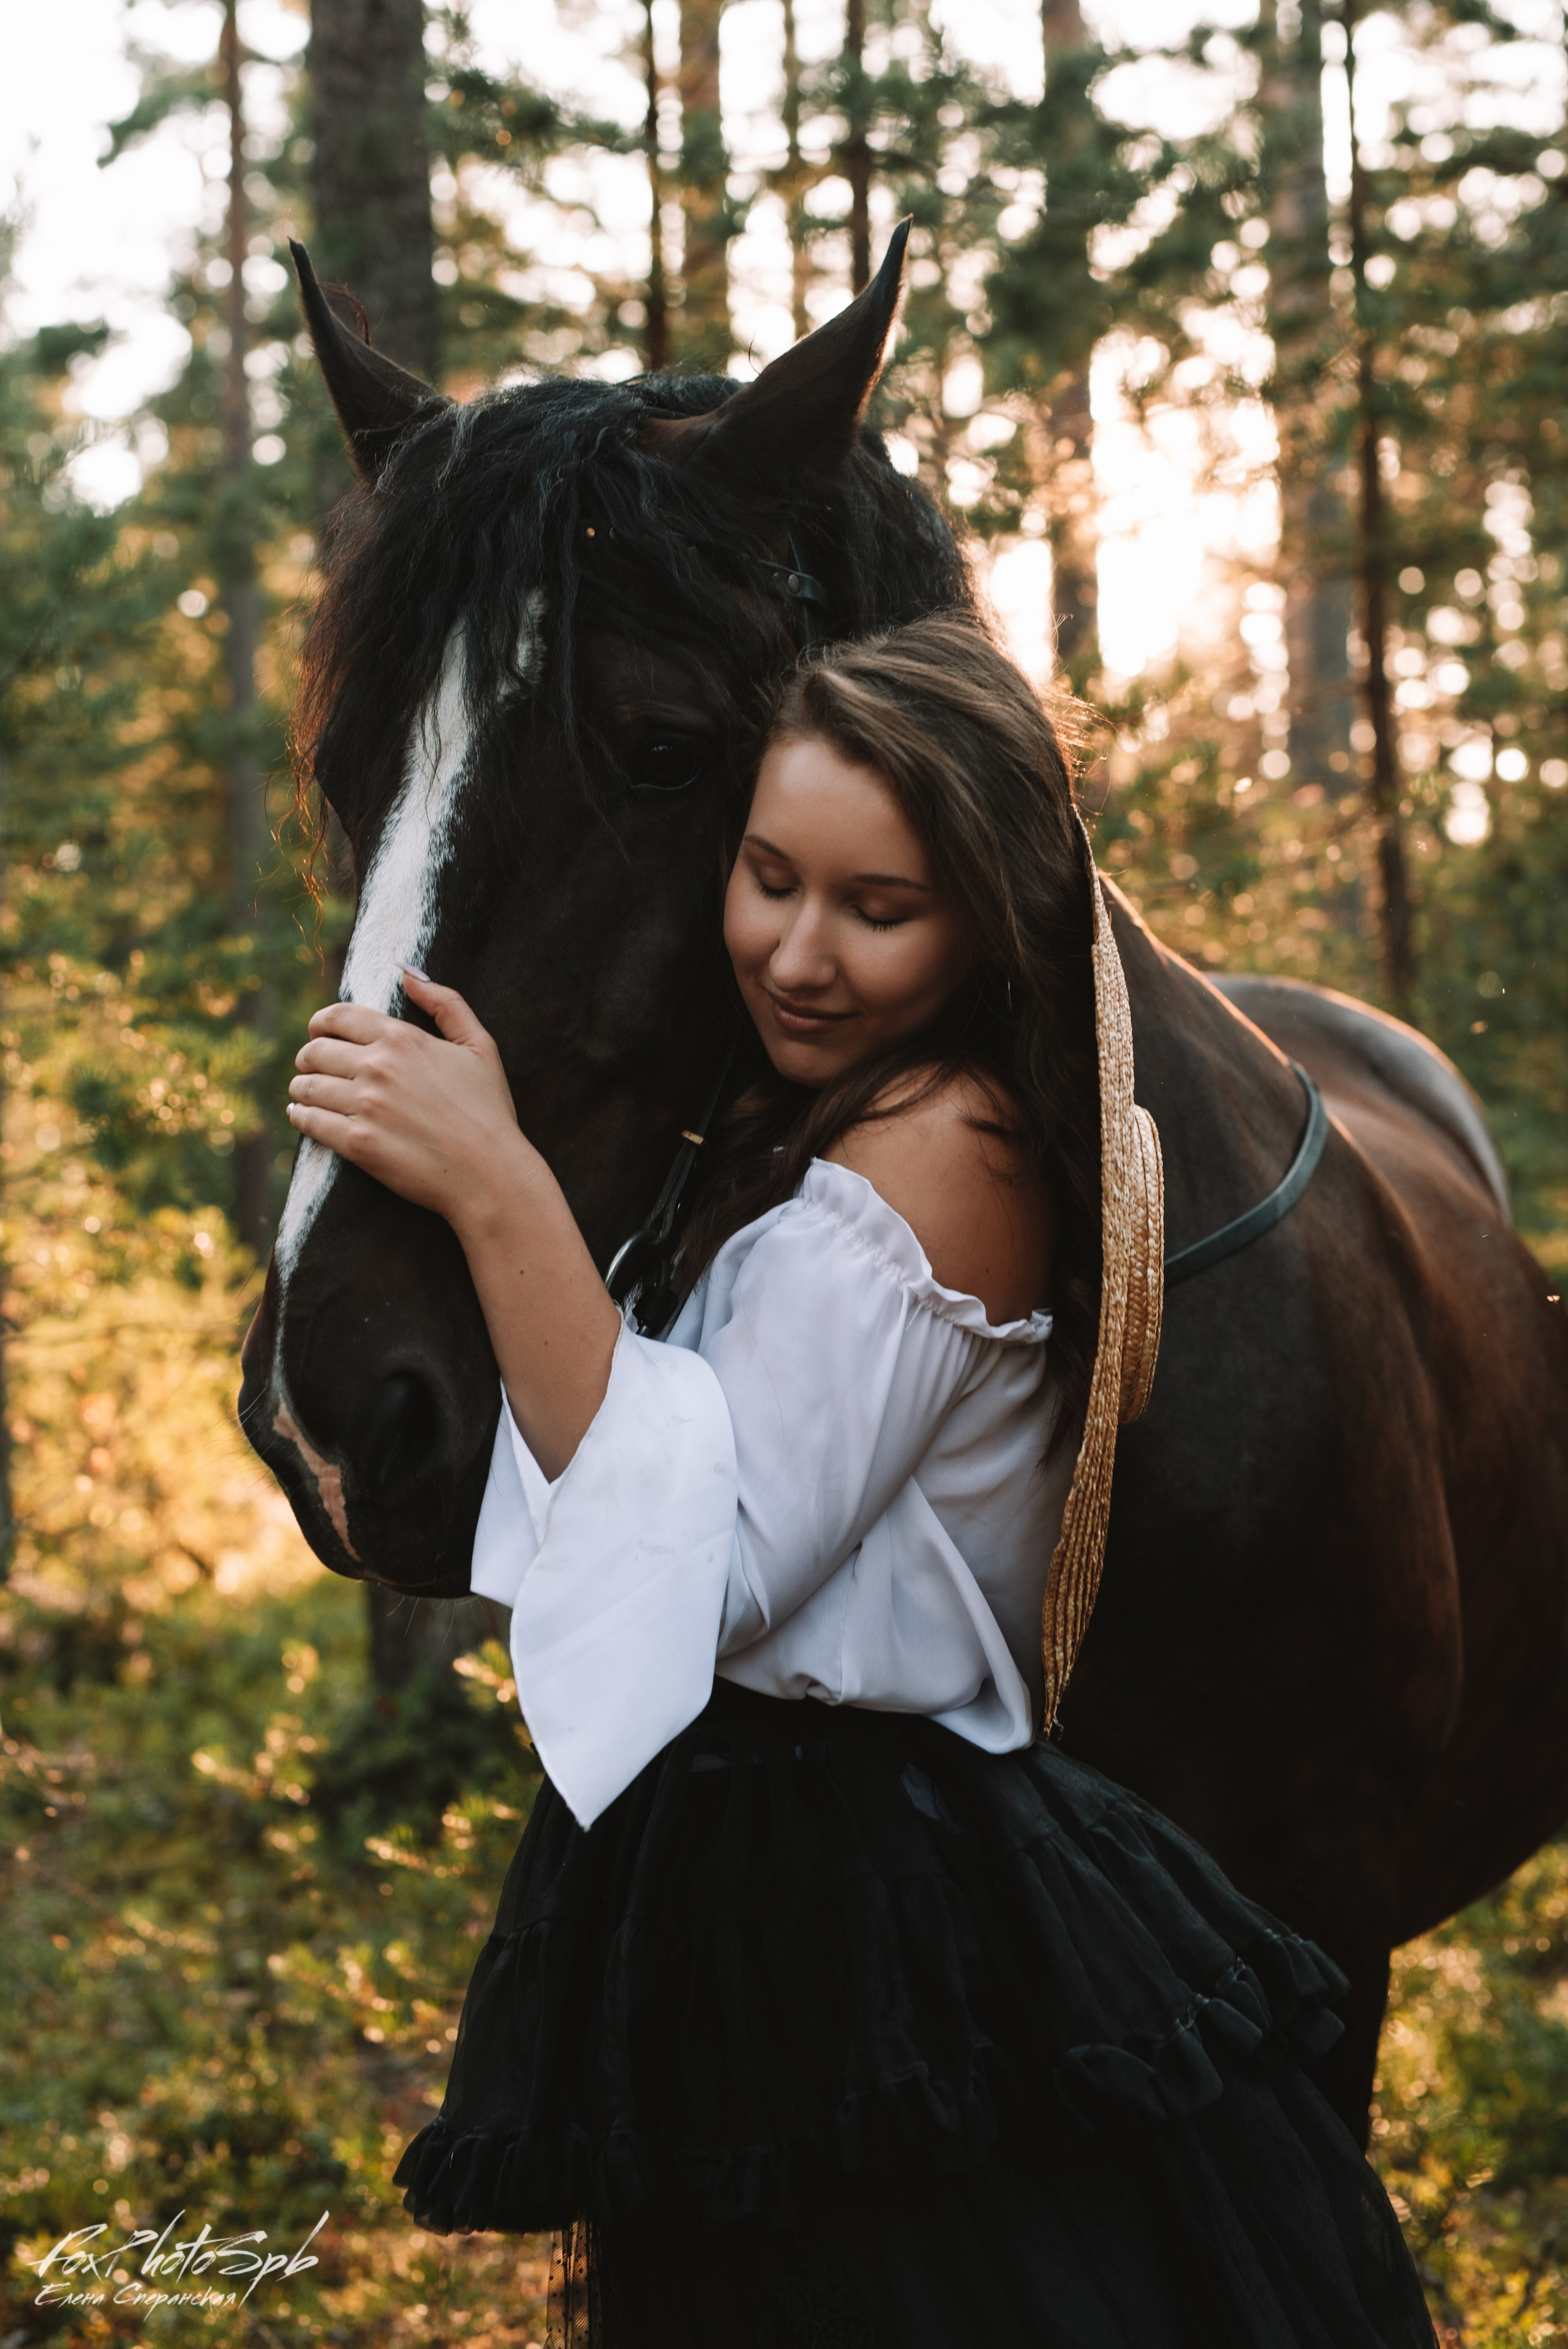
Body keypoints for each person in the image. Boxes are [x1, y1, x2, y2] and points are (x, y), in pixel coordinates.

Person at [285, 616, 1435, 2349]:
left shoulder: (952, 1153)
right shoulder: (820, 1114)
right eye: (765, 879)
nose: (796, 954)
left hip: (866, 1876)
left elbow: (720, 1555)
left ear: (986, 923)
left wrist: (496, 1184)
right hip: (756, 1847)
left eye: (875, 909)